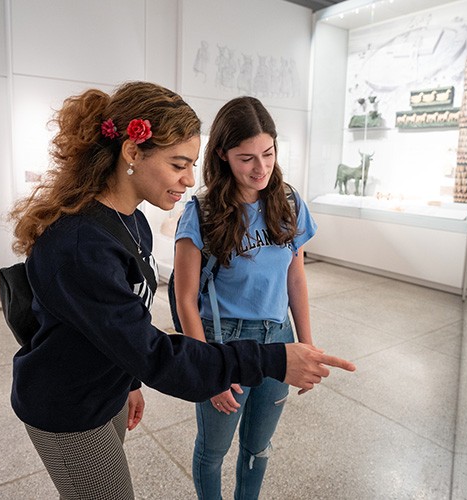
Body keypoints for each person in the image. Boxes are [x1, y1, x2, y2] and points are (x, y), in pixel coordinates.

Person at [8, 81, 355, 500]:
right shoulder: (82, 245)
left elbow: (120, 326)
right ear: (132, 152)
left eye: (191, 164)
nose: (190, 179)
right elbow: (157, 352)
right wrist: (273, 358)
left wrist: (128, 383)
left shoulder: (130, 221)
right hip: (68, 405)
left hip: (104, 388)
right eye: (178, 164)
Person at [173, 96, 318, 500]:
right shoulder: (201, 212)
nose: (261, 168)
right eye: (246, 158)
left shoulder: (288, 202)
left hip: (279, 336)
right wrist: (206, 369)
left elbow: (296, 276)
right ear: (222, 155)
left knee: (258, 449)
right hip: (225, 342)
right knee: (214, 450)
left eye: (268, 153)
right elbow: (186, 299)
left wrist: (305, 344)